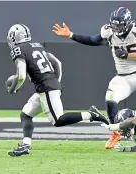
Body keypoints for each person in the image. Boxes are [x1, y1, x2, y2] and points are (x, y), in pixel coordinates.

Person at [52, 7, 136, 149]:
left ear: (127, 22)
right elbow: (92, 40)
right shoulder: (108, 31)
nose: (117, 27)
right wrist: (71, 35)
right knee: (110, 99)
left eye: (120, 24)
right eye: (114, 24)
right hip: (122, 77)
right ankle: (115, 132)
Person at [6, 24, 109, 157]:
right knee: (26, 114)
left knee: (58, 120)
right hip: (47, 86)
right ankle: (26, 145)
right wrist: (56, 81)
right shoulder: (37, 45)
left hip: (46, 88)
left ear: (14, 37)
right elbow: (57, 63)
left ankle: (91, 114)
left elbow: (20, 76)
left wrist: (14, 88)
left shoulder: (18, 50)